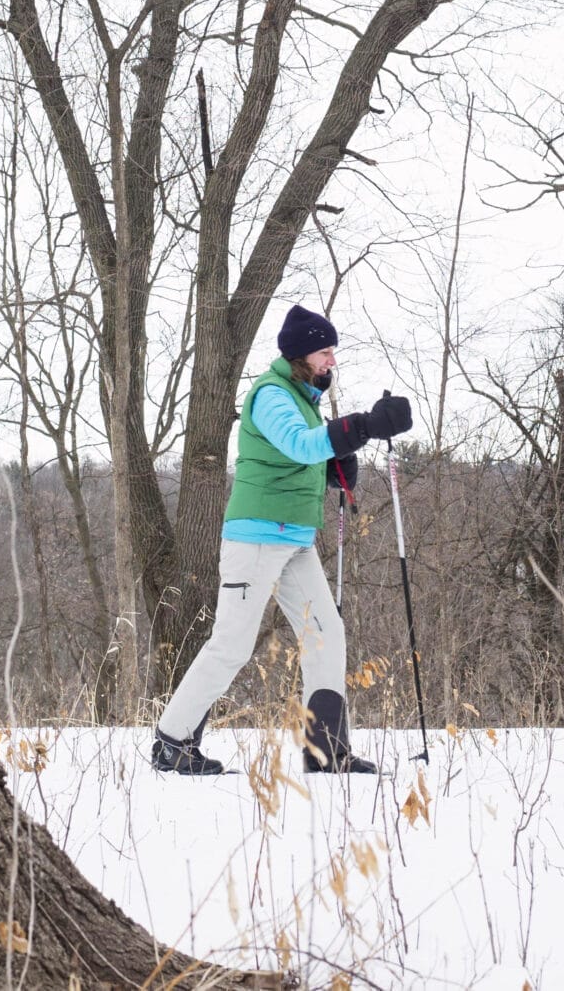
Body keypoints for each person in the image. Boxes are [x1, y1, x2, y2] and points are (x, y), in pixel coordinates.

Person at [151, 303, 414, 776]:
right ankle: (172, 742)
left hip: (294, 539)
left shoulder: (302, 399)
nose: (332, 360)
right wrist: (362, 428)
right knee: (232, 643)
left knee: (325, 634)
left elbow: (303, 455)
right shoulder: (272, 395)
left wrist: (334, 469)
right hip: (255, 538)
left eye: (333, 352)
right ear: (301, 355)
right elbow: (297, 444)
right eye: (325, 351)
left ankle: (325, 750)